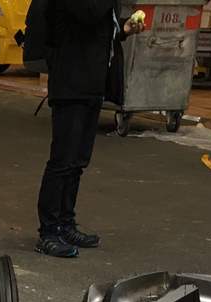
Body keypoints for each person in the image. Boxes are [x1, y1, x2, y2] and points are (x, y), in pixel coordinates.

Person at [26, 0, 144, 257]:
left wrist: (123, 29)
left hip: (92, 83)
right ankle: (47, 232)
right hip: (70, 83)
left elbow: (99, 28)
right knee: (62, 162)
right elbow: (89, 12)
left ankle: (65, 223)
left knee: (78, 162)